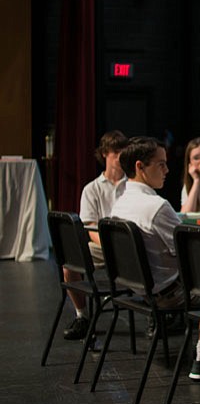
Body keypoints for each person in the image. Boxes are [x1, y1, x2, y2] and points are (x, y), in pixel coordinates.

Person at [111, 136, 200, 381]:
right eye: (160, 164)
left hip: (140, 290)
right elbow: (190, 253)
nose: (167, 170)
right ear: (140, 166)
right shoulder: (156, 206)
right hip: (169, 293)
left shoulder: (120, 204)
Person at [62, 130, 128, 340]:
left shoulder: (134, 184)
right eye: (115, 152)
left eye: (123, 152)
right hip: (102, 244)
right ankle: (82, 315)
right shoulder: (92, 189)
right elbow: (90, 226)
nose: (120, 157)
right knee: (70, 263)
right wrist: (109, 246)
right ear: (105, 155)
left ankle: (154, 313)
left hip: (129, 244)